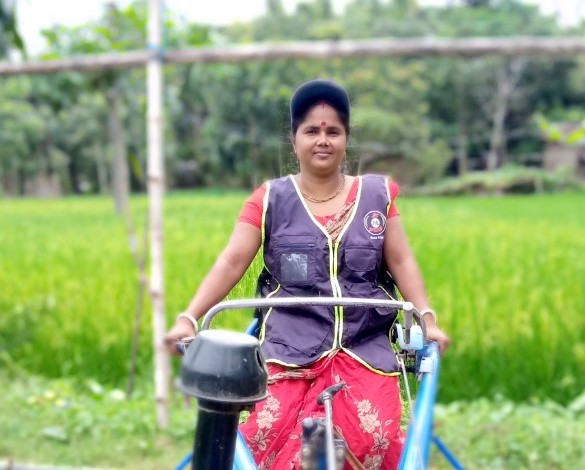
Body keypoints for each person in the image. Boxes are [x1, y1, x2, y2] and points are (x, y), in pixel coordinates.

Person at [165, 79, 450, 469]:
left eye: (333, 131)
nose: (323, 140)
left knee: (373, 434)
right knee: (262, 435)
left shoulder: (378, 195)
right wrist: (189, 317)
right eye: (312, 131)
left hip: (364, 347)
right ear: (294, 138)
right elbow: (231, 262)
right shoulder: (269, 199)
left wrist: (427, 320)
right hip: (289, 349)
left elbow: (402, 262)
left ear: (346, 138)